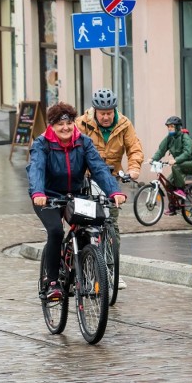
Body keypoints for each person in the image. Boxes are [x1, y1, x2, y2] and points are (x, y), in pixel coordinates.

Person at [27, 102, 127, 300]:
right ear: (52, 126)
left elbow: (98, 167)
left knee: (86, 230)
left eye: (69, 123)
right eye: (59, 124)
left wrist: (114, 191)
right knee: (55, 231)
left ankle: (85, 273)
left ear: (74, 123)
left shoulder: (83, 142)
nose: (65, 128)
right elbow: (36, 169)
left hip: (76, 195)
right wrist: (38, 192)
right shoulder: (42, 143)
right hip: (48, 197)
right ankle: (53, 282)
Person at [75, 88, 144, 289]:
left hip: (111, 179)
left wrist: (133, 169)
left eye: (109, 112)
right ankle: (81, 269)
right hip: (86, 179)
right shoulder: (81, 124)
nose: (106, 117)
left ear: (114, 110)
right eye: (102, 113)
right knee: (82, 223)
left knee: (111, 224)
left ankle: (112, 271)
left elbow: (134, 148)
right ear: (95, 111)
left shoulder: (124, 124)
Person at [149, 116, 192, 215]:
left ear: (178, 127)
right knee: (168, 184)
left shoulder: (185, 137)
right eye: (168, 127)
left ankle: (181, 190)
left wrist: (176, 160)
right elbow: (161, 150)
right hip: (180, 163)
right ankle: (173, 207)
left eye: (172, 126)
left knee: (176, 167)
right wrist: (153, 159)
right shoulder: (169, 138)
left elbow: (187, 153)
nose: (169, 128)